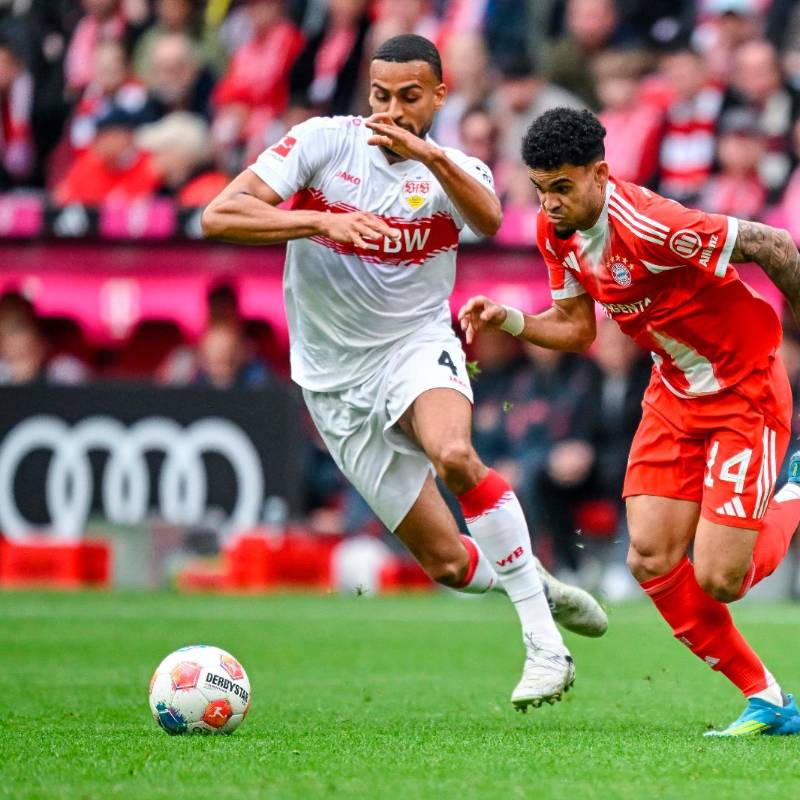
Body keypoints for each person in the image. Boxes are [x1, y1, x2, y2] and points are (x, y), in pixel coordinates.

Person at [203, 35, 607, 711]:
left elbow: (489, 216)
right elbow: (219, 214)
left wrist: (429, 156)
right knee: (448, 563)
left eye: (409, 97)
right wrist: (316, 224)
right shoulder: (321, 145)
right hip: (332, 380)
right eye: (380, 95)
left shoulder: (455, 171)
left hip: (416, 346)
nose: (391, 110)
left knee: (454, 454)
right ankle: (534, 581)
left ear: (439, 97)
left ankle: (545, 646)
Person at [459, 106, 800, 736]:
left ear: (599, 174)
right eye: (540, 188)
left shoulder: (652, 224)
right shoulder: (554, 231)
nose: (550, 203)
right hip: (673, 391)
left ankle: (793, 488)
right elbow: (577, 327)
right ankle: (769, 699)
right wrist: (509, 318)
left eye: (562, 187)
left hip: (743, 387)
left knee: (721, 577)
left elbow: (774, 245)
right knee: (649, 557)